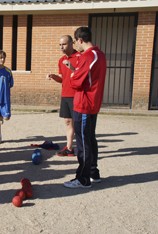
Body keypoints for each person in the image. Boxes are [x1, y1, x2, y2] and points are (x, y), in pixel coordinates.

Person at [62, 27, 107, 189]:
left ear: (80, 40)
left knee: (82, 142)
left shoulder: (87, 56)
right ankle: (93, 172)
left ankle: (83, 178)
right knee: (90, 138)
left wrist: (73, 73)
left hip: (84, 104)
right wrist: (75, 71)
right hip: (93, 103)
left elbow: (75, 82)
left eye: (74, 42)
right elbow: (86, 77)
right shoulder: (100, 55)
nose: (75, 45)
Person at [47, 35, 81, 156]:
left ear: (72, 43)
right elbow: (62, 79)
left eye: (64, 44)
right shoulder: (61, 60)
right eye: (60, 44)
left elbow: (81, 76)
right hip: (65, 95)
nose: (61, 47)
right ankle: (70, 148)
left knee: (77, 123)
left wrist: (72, 68)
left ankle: (82, 149)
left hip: (76, 95)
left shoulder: (79, 58)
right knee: (67, 121)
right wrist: (53, 76)